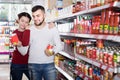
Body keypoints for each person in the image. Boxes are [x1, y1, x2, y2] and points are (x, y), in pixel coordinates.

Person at [17, 5, 62, 80]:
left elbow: (59, 45)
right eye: (33, 16)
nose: (35, 19)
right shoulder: (29, 30)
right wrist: (18, 45)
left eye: (38, 16)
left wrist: (52, 52)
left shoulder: (52, 28)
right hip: (33, 65)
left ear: (44, 15)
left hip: (49, 64)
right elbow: (24, 52)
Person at [10, 12, 31, 80]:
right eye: (22, 20)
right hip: (17, 64)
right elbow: (23, 51)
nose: (23, 23)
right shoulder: (14, 33)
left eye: (26, 22)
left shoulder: (30, 32)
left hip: (30, 63)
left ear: (28, 24)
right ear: (18, 20)